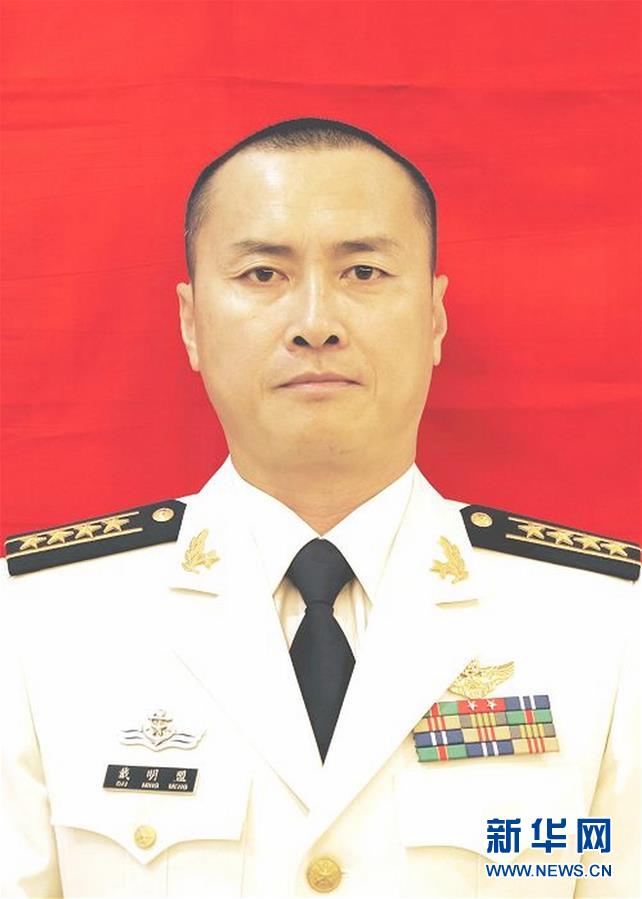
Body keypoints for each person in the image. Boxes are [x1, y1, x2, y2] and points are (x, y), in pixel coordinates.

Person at [2, 118, 639, 899]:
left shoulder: (604, 626)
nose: (315, 323)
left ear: (434, 317)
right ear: (191, 322)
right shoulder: (38, 622)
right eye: (263, 274)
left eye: (364, 271)